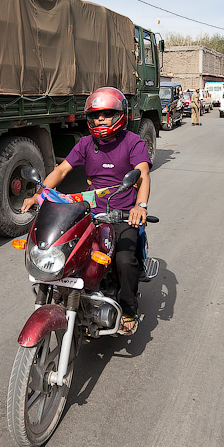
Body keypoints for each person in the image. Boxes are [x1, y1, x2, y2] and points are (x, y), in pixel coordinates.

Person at [20, 87, 152, 335]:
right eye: (96, 115)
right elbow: (61, 171)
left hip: (122, 213)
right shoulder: (85, 144)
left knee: (125, 260)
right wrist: (39, 194)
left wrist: (140, 205)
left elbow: (142, 175)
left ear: (121, 115)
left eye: (108, 113)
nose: (101, 119)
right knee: (68, 251)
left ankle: (129, 309)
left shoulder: (133, 142)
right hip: (90, 212)